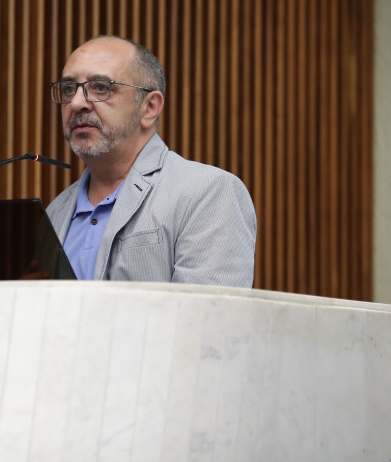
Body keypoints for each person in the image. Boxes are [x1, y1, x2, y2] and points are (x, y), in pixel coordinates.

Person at [46, 35, 256, 286]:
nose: (77, 102)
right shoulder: (55, 212)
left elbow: (207, 320)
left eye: (101, 87)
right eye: (69, 88)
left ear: (149, 107)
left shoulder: (207, 193)